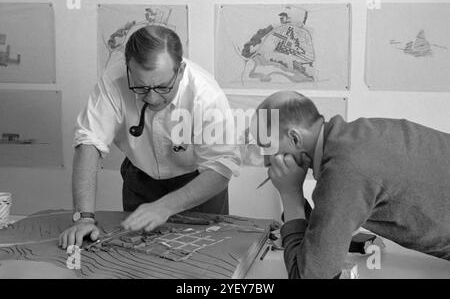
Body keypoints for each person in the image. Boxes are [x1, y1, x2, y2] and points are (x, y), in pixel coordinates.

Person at [59, 25, 240, 249]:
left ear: (180, 71)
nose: (152, 98)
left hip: (198, 184)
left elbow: (221, 167)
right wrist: (84, 218)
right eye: (141, 87)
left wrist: (165, 206)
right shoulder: (113, 81)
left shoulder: (206, 95)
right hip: (140, 178)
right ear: (128, 69)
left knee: (203, 260)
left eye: (163, 87)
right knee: (137, 257)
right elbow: (89, 142)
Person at [255, 91, 450, 278]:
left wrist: (290, 194)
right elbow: (319, 237)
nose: (265, 162)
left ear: (295, 138)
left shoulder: (345, 168)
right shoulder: (355, 136)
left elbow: (311, 276)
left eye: (267, 147)